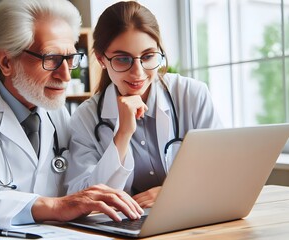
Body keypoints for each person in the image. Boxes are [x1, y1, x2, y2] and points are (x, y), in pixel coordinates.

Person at [0, 0, 143, 229]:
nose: (66, 76)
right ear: (7, 61)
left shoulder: (55, 111)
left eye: (70, 59)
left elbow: (82, 194)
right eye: (51, 59)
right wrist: (51, 207)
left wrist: (122, 135)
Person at [66, 1, 223, 208]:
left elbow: (221, 171)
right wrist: (122, 134)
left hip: (190, 216)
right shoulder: (86, 118)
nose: (138, 72)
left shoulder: (191, 95)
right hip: (123, 225)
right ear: (101, 60)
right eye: (123, 59)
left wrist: (172, 193)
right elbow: (81, 197)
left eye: (148, 56)